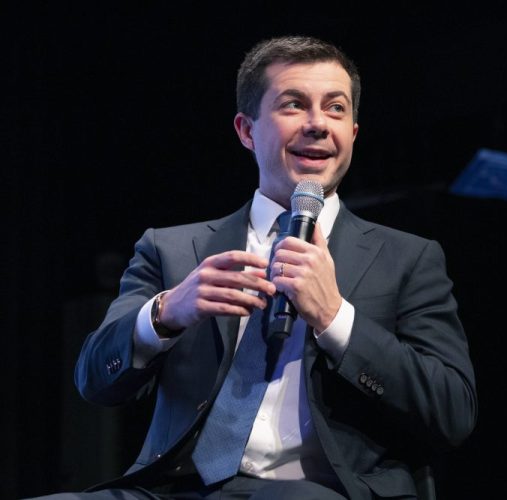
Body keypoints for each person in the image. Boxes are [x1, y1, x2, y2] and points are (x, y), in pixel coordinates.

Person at [40, 35, 477, 499]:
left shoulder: (408, 258)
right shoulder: (172, 250)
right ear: (246, 131)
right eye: (293, 105)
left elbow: (452, 412)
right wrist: (165, 313)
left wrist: (335, 319)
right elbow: (93, 380)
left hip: (318, 490)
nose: (317, 124)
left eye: (335, 109)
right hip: (173, 489)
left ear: (352, 132)